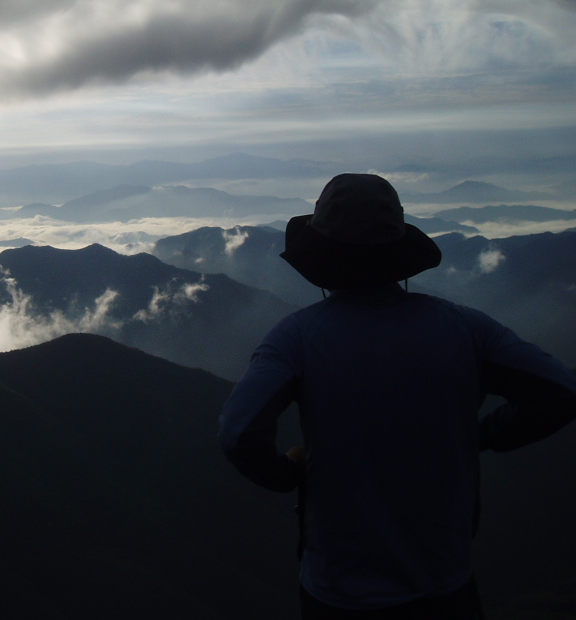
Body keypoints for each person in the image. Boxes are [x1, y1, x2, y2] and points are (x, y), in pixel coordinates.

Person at [218, 173, 576, 619]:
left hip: (338, 592)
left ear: (323, 260)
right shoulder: (466, 329)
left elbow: (238, 433)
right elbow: (560, 392)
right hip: (447, 585)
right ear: (400, 252)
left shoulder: (297, 339)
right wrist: (482, 434)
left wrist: (287, 473)